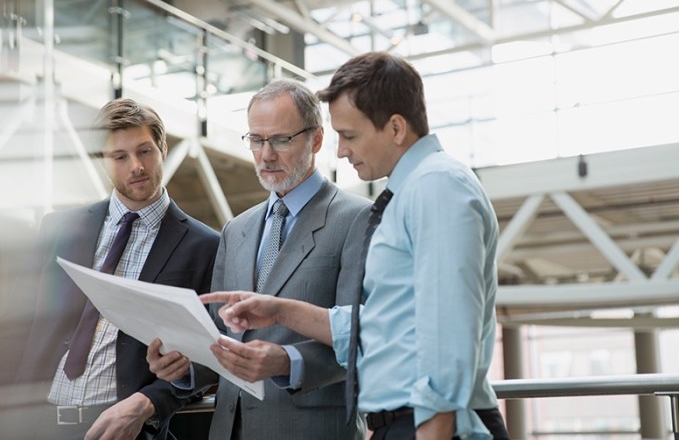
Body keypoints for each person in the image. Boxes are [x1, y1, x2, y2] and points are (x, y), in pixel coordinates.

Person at [201, 52, 511, 440]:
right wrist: (280, 311)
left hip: (430, 424)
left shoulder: (436, 187)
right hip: (405, 422)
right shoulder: (413, 191)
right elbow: (382, 327)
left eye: (349, 135)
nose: (342, 150)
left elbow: (447, 333)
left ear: (396, 128)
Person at [147, 78, 369, 440]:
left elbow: (364, 337)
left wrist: (289, 362)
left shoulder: (357, 219)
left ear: (315, 139)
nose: (266, 155)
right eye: (256, 139)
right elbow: (219, 337)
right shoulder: (237, 229)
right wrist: (185, 365)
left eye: (281, 140)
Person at [12, 98, 220, 440]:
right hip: (35, 424)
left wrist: (148, 402)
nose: (136, 166)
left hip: (123, 428)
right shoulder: (59, 229)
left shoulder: (205, 246)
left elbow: (212, 354)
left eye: (145, 151)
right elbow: (20, 326)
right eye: (119, 157)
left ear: (163, 148)